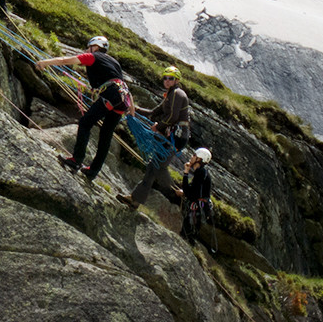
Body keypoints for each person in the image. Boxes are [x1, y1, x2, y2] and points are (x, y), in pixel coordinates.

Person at [36, 36, 133, 180]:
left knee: (85, 123)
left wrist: (45, 62)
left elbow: (65, 61)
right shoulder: (114, 62)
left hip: (111, 94)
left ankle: (76, 160)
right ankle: (93, 171)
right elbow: (124, 85)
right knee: (106, 135)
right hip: (122, 99)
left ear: (96, 47)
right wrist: (132, 111)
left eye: (89, 47)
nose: (87, 50)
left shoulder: (92, 57)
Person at [118, 65, 191, 209]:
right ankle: (135, 200)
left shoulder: (177, 93)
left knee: (159, 167)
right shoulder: (170, 95)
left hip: (177, 136)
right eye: (165, 78)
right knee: (153, 166)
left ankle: (178, 191)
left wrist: (158, 127)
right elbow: (153, 112)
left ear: (177, 80)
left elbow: (173, 116)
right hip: (172, 134)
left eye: (171, 78)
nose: (167, 81)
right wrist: (135, 109)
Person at [177, 147, 214, 243]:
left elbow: (193, 193)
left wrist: (186, 173)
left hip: (197, 209)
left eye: (194, 155)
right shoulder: (201, 172)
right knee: (188, 234)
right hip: (199, 208)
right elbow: (192, 190)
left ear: (199, 159)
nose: (191, 157)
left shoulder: (201, 172)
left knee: (186, 234)